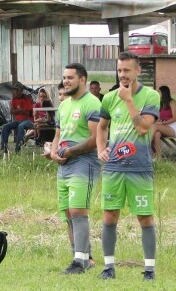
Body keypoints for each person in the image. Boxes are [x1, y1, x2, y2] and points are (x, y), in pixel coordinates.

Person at [96, 52, 160, 280]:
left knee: (144, 217)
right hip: (114, 168)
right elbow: (101, 127)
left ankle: (149, 270)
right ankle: (108, 267)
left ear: (137, 71)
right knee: (109, 216)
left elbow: (143, 128)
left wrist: (129, 101)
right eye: (119, 70)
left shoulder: (151, 96)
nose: (122, 75)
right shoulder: (109, 98)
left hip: (140, 168)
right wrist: (100, 148)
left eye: (127, 70)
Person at [50, 62, 101, 275]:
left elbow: (95, 138)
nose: (66, 81)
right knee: (67, 213)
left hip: (84, 162)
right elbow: (58, 136)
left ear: (82, 79)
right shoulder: (64, 105)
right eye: (65, 77)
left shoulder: (92, 104)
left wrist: (70, 152)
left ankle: (79, 263)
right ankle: (81, 257)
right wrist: (54, 153)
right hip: (64, 165)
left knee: (78, 210)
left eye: (70, 77)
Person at [0, 83, 34, 153]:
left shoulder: (27, 98)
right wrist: (20, 110)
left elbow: (27, 113)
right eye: (14, 90)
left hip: (28, 120)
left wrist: (17, 111)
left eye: (17, 90)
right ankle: (3, 148)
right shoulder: (14, 99)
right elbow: (11, 111)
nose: (16, 92)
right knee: (5, 127)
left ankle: (18, 149)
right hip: (18, 120)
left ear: (21, 91)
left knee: (21, 126)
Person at [151, 85, 176, 159]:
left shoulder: (172, 102)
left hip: (172, 127)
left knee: (154, 126)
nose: (157, 93)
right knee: (157, 134)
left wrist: (162, 123)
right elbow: (159, 118)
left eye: (159, 92)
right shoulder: (160, 104)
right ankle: (158, 158)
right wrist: (157, 121)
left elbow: (175, 118)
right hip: (163, 127)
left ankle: (145, 145)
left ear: (164, 93)